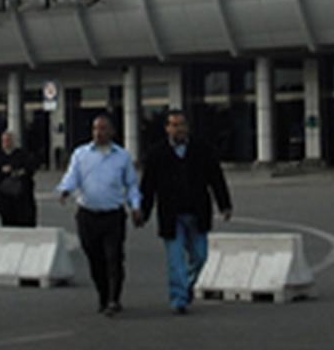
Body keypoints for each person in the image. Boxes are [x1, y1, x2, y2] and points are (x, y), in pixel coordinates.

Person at [136, 110, 232, 314]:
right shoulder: (157, 153)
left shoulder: (202, 149)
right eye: (174, 125)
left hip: (197, 212)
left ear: (187, 127)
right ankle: (179, 299)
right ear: (167, 128)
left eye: (181, 124)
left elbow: (216, 178)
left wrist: (224, 204)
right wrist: (143, 212)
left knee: (200, 257)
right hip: (171, 215)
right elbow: (148, 187)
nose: (178, 129)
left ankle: (187, 284)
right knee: (175, 260)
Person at [58, 113, 141, 316]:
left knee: (113, 258)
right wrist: (65, 189)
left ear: (112, 131)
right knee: (95, 259)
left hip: (113, 215)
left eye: (103, 128)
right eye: (96, 128)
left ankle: (114, 299)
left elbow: (131, 185)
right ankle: (103, 295)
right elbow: (72, 176)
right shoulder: (81, 154)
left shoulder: (122, 156)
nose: (99, 133)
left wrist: (136, 206)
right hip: (88, 215)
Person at [0, 130, 38, 228]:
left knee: (25, 221)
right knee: (8, 222)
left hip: (22, 197)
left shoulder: (22, 154)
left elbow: (30, 168)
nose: (6, 143)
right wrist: (2, 171)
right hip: (4, 196)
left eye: (8, 140)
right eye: (4, 141)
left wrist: (17, 171)